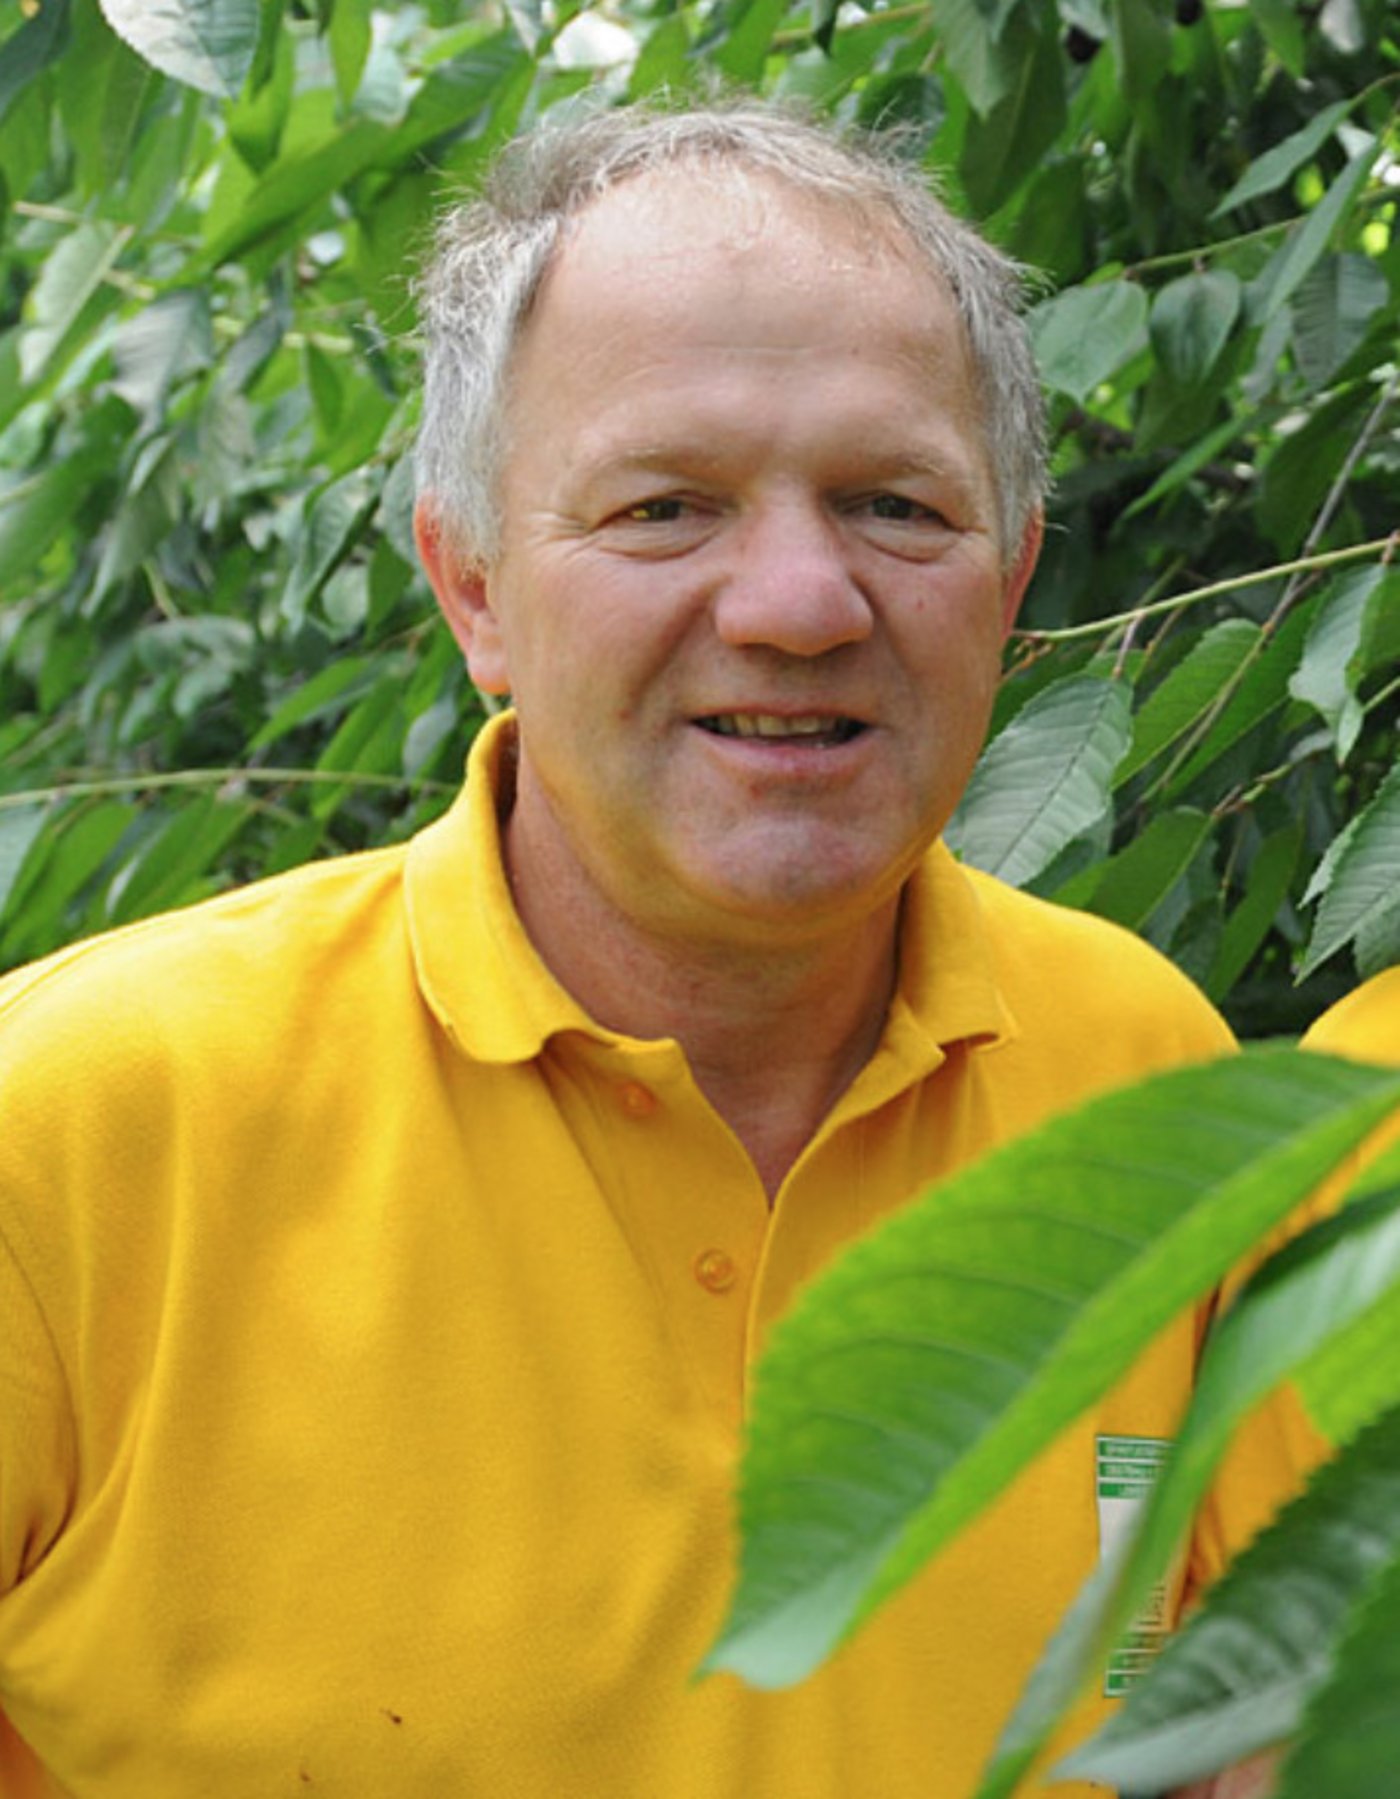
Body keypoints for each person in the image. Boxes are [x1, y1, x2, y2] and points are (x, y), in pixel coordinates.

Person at [0, 103, 1294, 1797]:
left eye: (896, 505)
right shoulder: (81, 1128)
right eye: (666, 507)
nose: (798, 602)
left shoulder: (1151, 1072)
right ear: (471, 590)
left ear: (1011, 579)